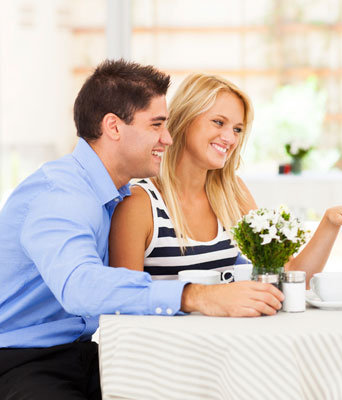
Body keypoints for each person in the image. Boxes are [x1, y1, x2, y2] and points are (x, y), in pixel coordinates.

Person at [0, 60, 284, 400]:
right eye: (156, 125)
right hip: (18, 359)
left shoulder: (111, 194)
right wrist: (197, 295)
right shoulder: (60, 194)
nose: (167, 137)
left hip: (83, 353)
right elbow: (80, 287)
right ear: (113, 127)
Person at [108, 72, 342, 307]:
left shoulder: (231, 194)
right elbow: (125, 304)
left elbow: (293, 276)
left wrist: (330, 222)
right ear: (185, 119)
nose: (229, 138)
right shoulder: (140, 203)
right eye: (218, 122)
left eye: (237, 129)